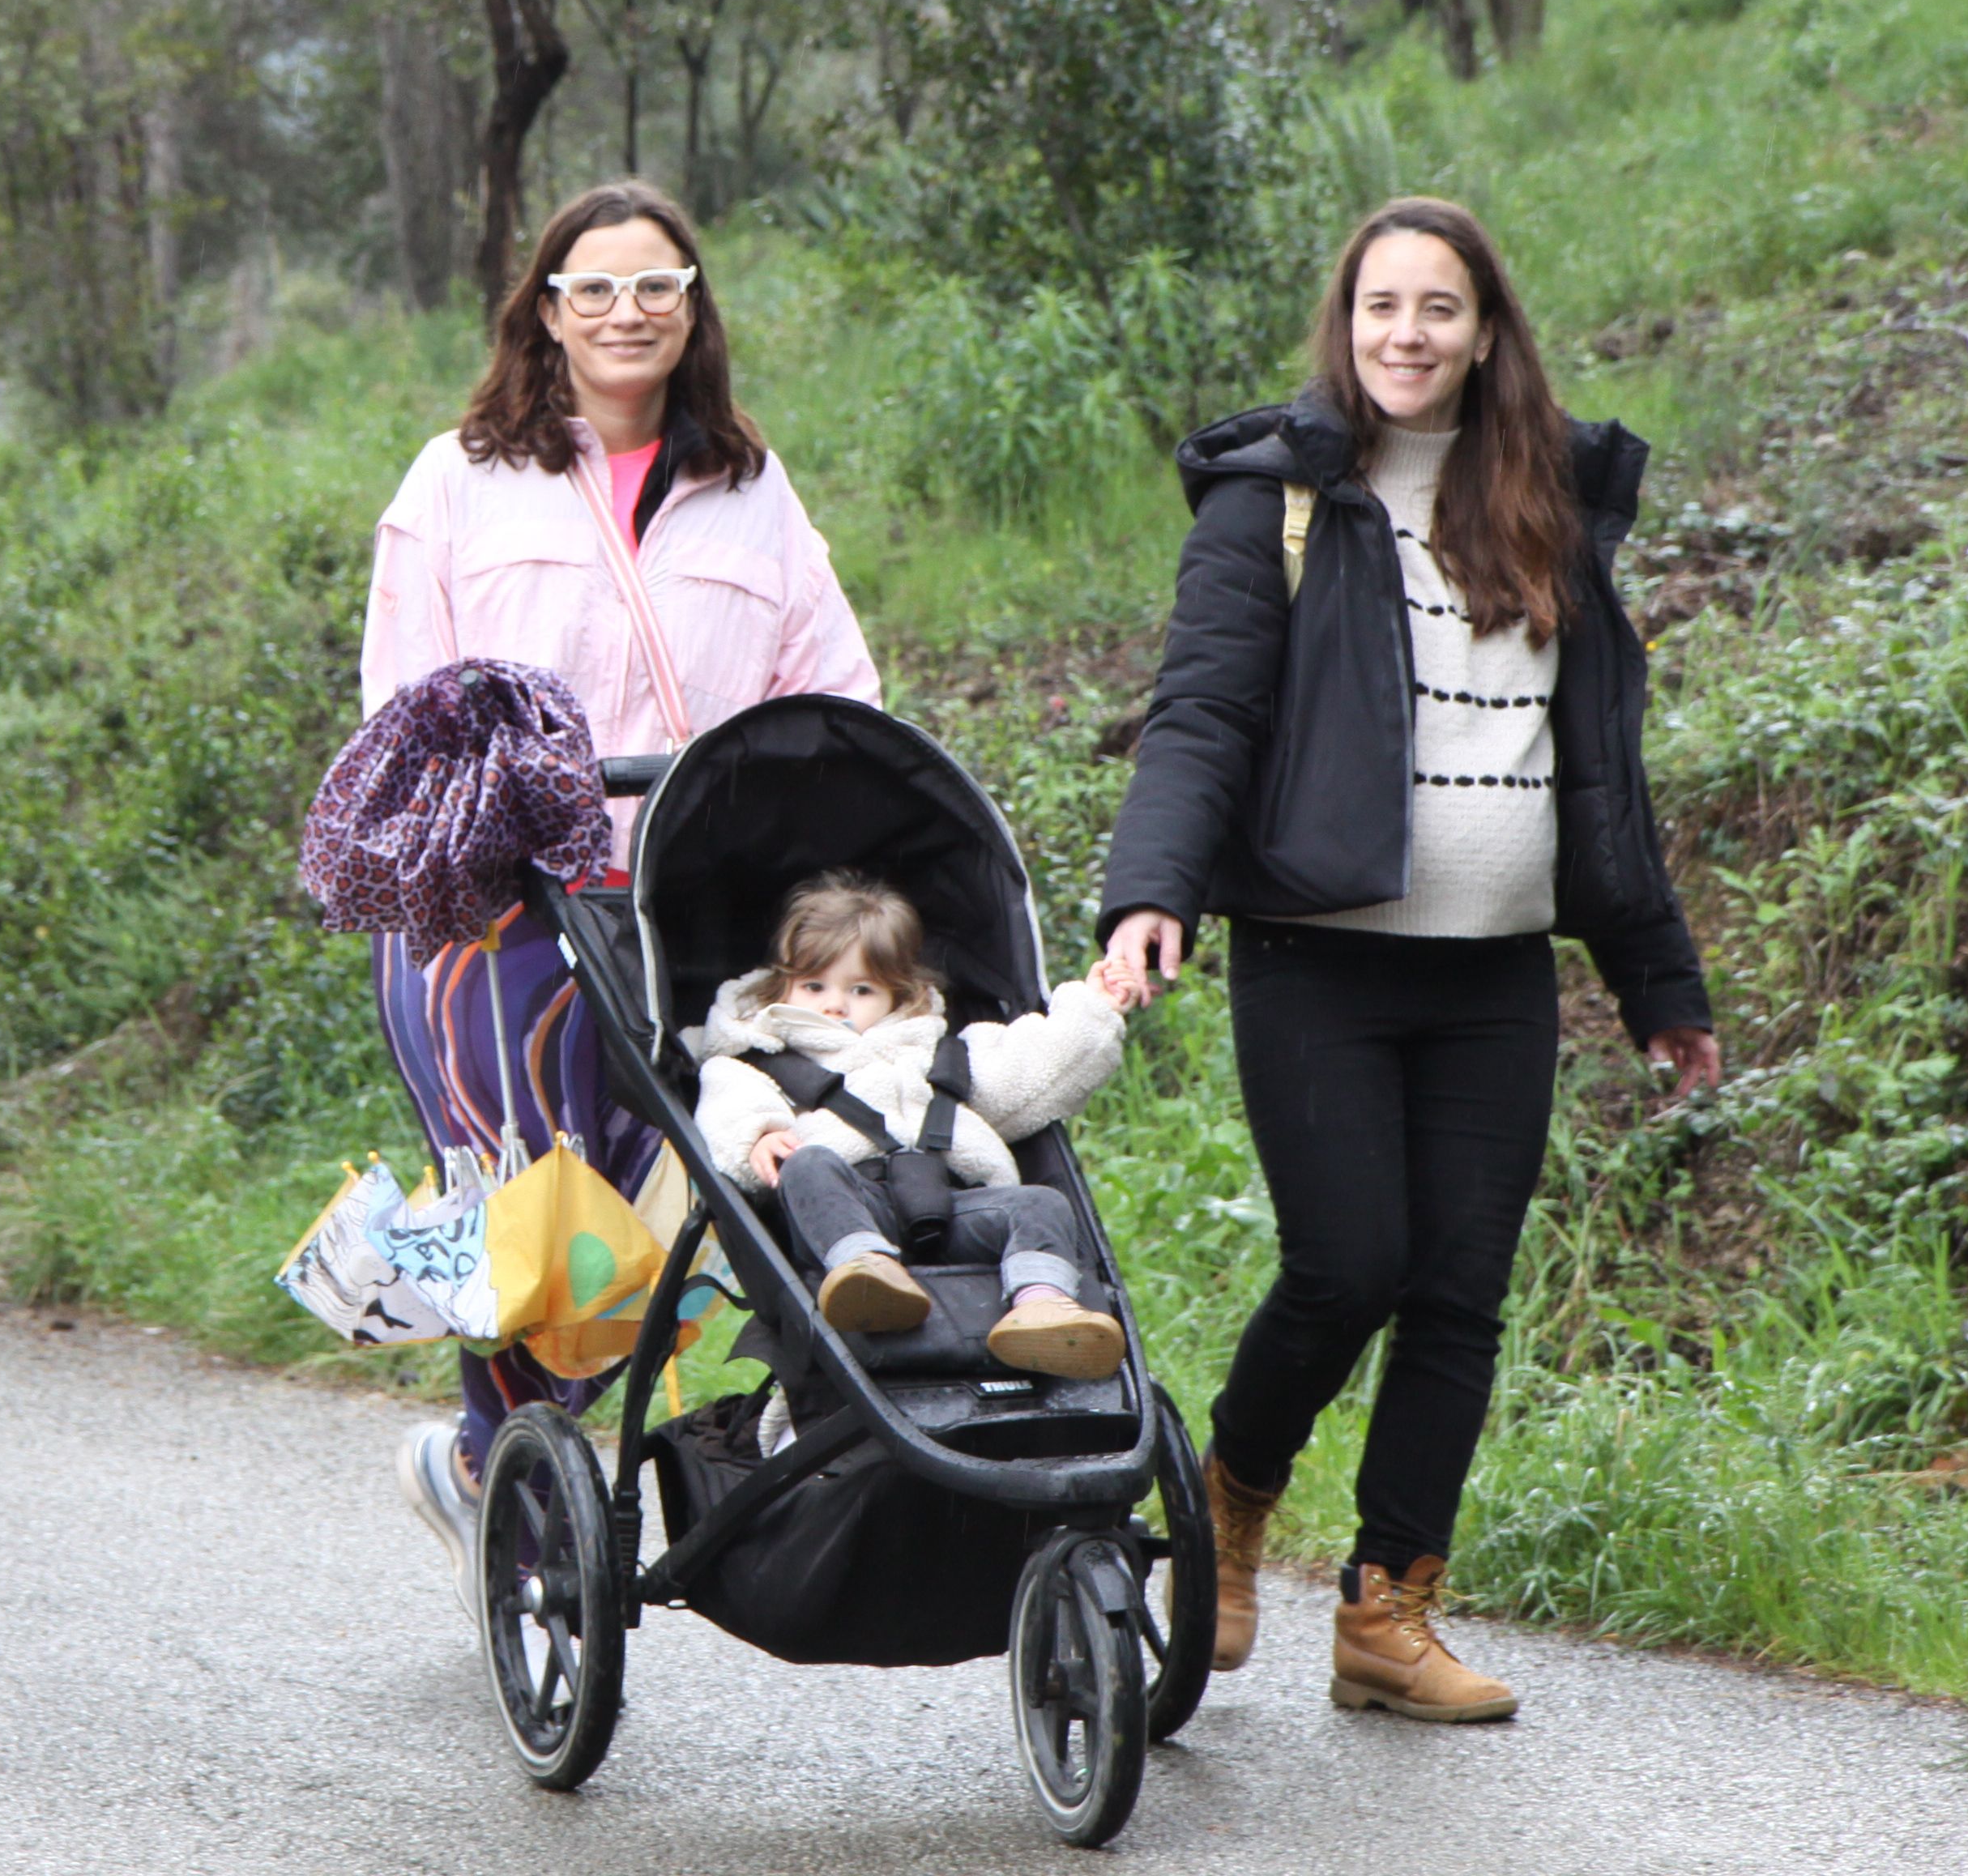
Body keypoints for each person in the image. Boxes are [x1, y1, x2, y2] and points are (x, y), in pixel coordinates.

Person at [1095, 195, 1718, 1728]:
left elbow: (1599, 769)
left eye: (1439, 308)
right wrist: (1152, 889)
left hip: (1495, 972)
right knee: (1348, 1262)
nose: (1407, 334)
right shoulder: (1278, 501)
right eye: (1382, 306)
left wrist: (1656, 976)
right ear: (1347, 322)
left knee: (1456, 1294)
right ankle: (1231, 1494)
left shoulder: (1549, 504)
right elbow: (1201, 713)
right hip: (1318, 958)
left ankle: (1388, 1609)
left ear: (1485, 331)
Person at [357, 179, 878, 1596]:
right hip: (497, 907)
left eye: (656, 285)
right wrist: (483, 824)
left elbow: (834, 690)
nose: (625, 311)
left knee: (677, 1194)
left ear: (693, 306)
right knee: (530, 1201)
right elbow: (404, 703)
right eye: (592, 287)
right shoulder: (458, 479)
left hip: (690, 900)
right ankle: (508, 1468)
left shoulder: (752, 492)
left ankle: (492, 1464)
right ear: (547, 310)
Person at [686, 871, 1135, 1377]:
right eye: (813, 985)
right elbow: (729, 1097)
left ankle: (1042, 1304)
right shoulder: (767, 1056)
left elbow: (1034, 1070)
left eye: (861, 989)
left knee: (1042, 1203)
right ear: (781, 984)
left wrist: (1094, 1009)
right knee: (807, 1165)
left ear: (898, 995)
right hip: (850, 1206)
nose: (834, 1003)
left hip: (952, 1207)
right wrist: (758, 1134)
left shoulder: (939, 1053)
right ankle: (866, 1274)